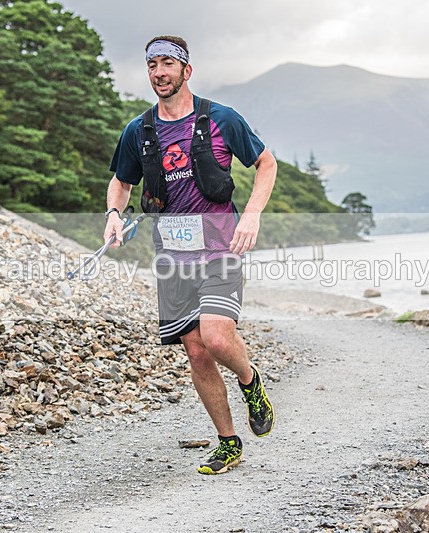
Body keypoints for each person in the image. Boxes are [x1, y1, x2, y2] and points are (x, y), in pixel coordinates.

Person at [103, 35, 278, 475]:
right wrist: (112, 214)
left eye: (168, 63)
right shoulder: (138, 131)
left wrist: (252, 216)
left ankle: (250, 380)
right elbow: (122, 183)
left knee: (218, 339)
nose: (159, 72)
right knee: (197, 352)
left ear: (187, 70)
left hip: (222, 247)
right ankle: (227, 442)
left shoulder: (221, 118)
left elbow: (266, 164)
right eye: (152, 65)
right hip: (172, 258)